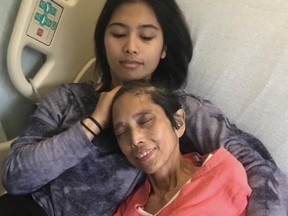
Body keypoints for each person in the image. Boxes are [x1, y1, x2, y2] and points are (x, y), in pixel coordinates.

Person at [0, 0, 287, 215]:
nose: (131, 47)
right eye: (118, 34)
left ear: (164, 48)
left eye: (146, 36)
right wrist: (93, 124)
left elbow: (259, 167)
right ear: (104, 42)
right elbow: (15, 176)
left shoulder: (177, 109)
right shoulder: (68, 98)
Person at [111, 79, 252, 216]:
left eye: (145, 121)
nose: (135, 139)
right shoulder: (126, 208)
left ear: (178, 122)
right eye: (121, 133)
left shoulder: (222, 174)